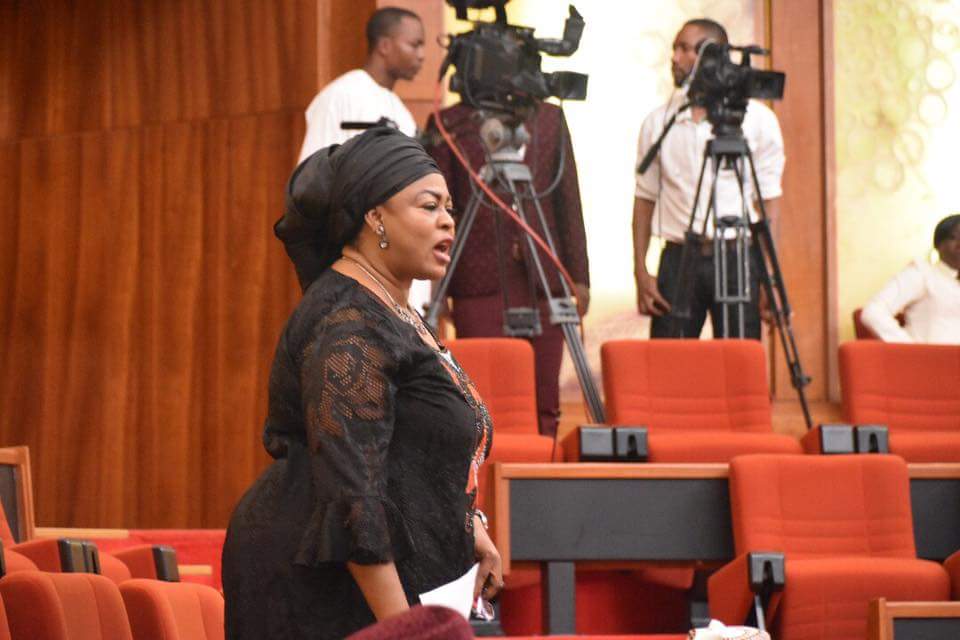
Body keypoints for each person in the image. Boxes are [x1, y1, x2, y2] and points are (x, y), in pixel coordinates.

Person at [222, 128, 502, 640]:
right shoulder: (349, 324)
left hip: (368, 581)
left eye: (449, 208)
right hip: (322, 595)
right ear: (375, 217)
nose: (447, 220)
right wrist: (407, 633)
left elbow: (410, 453)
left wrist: (470, 526)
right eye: (429, 206)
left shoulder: (392, 309)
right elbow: (353, 496)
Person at [423, 103, 590, 438]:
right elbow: (441, 214)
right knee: (482, 401)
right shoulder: (450, 123)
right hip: (477, 280)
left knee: (545, 400)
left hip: (543, 280)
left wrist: (579, 277)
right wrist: (438, 287)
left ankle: (541, 466)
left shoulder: (550, 118)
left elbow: (568, 198)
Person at [633, 18, 785, 339]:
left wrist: (769, 277)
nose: (675, 57)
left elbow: (768, 204)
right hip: (678, 258)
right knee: (669, 359)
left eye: (685, 49)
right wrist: (641, 271)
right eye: (675, 48)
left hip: (737, 256)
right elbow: (644, 199)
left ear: (711, 55)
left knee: (738, 358)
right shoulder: (659, 122)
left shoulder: (758, 121)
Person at [295, 6, 430, 311]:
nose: (422, 55)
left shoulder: (402, 112)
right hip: (355, 269)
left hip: (399, 273)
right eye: (414, 44)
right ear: (385, 45)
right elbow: (310, 184)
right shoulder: (341, 96)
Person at [861, 214, 960, 344]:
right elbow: (874, 311)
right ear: (938, 244)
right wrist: (910, 348)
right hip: (930, 355)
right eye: (953, 237)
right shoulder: (922, 273)